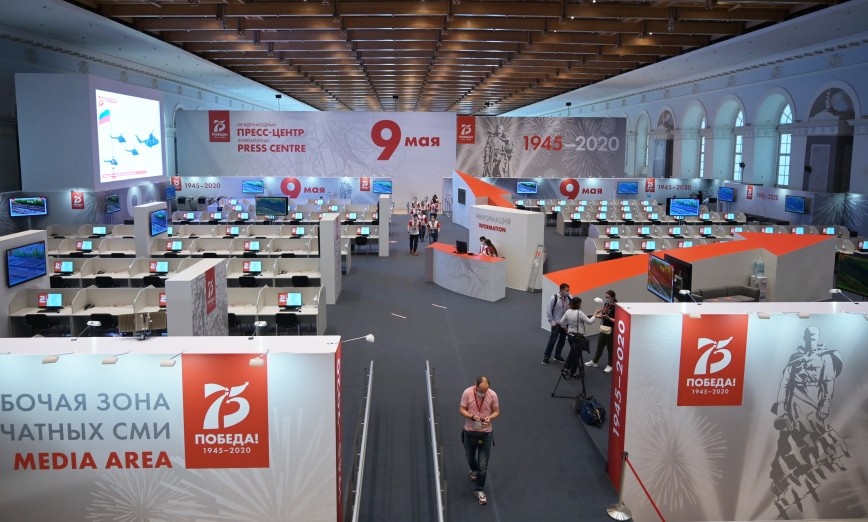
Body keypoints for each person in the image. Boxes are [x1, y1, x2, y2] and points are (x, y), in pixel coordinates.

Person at [769, 326, 846, 517]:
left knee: (812, 437)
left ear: (817, 338)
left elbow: (828, 382)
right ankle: (786, 476)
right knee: (785, 440)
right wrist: (781, 408)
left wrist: (825, 405)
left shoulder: (825, 357)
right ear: (804, 338)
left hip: (812, 400)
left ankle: (813, 467)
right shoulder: (795, 357)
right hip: (793, 400)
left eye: (814, 336)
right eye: (808, 336)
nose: (811, 339)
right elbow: (785, 383)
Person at [459, 376, 500, 506]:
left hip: (486, 434)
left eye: (485, 391)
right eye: (480, 391)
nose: (483, 393)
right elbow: (462, 409)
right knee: (469, 458)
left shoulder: (492, 395)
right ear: (475, 386)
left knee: (483, 465)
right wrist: (472, 417)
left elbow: (497, 411)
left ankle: (479, 490)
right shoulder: (467, 393)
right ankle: (473, 469)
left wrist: (490, 417)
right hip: (469, 432)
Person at [558, 296, 597, 378]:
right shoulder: (580, 313)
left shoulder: (568, 311)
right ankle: (573, 372)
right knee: (577, 355)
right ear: (578, 304)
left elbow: (561, 322)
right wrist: (595, 315)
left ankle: (566, 369)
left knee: (572, 352)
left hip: (570, 336)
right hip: (578, 337)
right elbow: (590, 322)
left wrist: (566, 329)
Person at [587, 290, 617, 373]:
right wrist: (594, 315)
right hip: (603, 328)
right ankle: (594, 362)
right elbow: (603, 316)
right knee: (599, 346)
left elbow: (617, 320)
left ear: (613, 297)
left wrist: (608, 318)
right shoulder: (606, 304)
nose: (606, 299)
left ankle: (610, 365)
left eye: (608, 297)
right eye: (605, 297)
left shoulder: (616, 307)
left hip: (611, 330)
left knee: (610, 349)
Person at [542, 284, 571, 364]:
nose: (568, 292)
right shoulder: (554, 298)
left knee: (562, 340)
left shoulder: (568, 298)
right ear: (561, 290)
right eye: (566, 290)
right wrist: (552, 322)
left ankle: (557, 355)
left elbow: (569, 310)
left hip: (564, 323)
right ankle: (546, 356)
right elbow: (548, 311)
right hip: (556, 323)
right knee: (552, 340)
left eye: (568, 290)